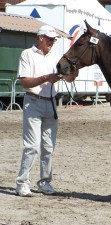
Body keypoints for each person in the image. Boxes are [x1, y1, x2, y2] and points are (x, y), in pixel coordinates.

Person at [15, 25, 63, 197]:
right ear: (40, 38)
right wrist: (45, 78)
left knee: (48, 147)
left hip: (51, 103)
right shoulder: (27, 54)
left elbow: (67, 76)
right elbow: (25, 82)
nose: (53, 41)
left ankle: (45, 182)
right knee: (32, 146)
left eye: (54, 39)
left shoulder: (56, 56)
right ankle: (22, 183)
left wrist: (72, 74)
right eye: (50, 38)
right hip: (33, 102)